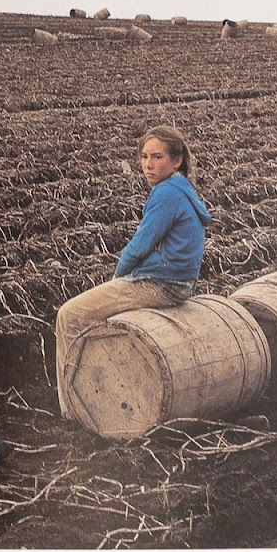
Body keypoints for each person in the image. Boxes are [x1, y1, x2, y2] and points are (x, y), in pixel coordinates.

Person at [55, 124, 212, 419]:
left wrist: (119, 276)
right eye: (143, 157)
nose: (148, 165)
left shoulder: (166, 194)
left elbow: (139, 246)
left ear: (176, 161)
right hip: (179, 281)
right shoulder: (182, 188)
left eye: (157, 157)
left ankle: (73, 410)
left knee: (70, 315)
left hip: (162, 283)